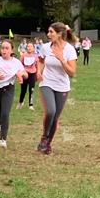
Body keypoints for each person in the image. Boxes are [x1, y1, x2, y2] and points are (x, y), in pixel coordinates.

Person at [37, 22, 77, 155]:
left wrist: (62, 60)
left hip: (62, 86)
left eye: (51, 32)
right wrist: (38, 71)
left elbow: (72, 73)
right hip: (46, 82)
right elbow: (41, 60)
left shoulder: (69, 50)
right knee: (50, 111)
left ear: (59, 34)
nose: (48, 34)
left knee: (55, 117)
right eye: (48, 31)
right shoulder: (45, 47)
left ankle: (47, 144)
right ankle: (44, 137)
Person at [0, 39, 27, 148]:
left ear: (11, 50)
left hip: (8, 88)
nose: (4, 50)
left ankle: (3, 138)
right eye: (2, 48)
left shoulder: (16, 62)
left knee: (5, 113)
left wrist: (20, 74)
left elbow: (25, 74)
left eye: (7, 48)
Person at [18, 43, 38, 108]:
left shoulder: (36, 56)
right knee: (23, 89)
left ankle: (31, 105)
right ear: (26, 48)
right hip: (25, 74)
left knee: (31, 90)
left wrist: (37, 74)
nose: (29, 48)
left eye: (31, 46)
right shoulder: (23, 55)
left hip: (33, 74)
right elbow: (20, 65)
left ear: (33, 48)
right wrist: (20, 74)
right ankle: (21, 102)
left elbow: (37, 66)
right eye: (28, 46)